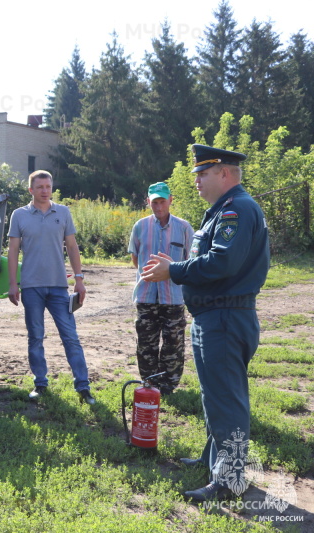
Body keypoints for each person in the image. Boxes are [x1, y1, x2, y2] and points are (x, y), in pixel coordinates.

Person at [141, 144, 270, 501]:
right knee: (215, 394)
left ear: (224, 174)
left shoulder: (237, 210)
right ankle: (214, 460)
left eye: (203, 173)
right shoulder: (222, 210)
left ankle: (229, 480)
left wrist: (174, 270)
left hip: (225, 317)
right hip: (214, 316)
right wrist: (178, 267)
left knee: (226, 399)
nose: (196, 180)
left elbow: (222, 264)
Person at [7, 170, 95, 405]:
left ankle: (83, 387)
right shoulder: (19, 215)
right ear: (31, 190)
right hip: (31, 287)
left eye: (48, 186)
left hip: (58, 286)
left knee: (71, 337)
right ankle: (40, 384)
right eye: (40, 187)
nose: (45, 191)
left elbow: (72, 246)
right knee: (35, 337)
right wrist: (13, 283)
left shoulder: (63, 212)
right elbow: (13, 251)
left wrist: (79, 279)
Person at [128, 182, 194, 395]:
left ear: (170, 200)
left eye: (162, 201)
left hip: (173, 296)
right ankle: (149, 384)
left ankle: (168, 386)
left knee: (173, 343)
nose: (158, 206)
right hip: (146, 295)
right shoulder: (140, 226)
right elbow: (134, 258)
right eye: (154, 202)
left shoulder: (183, 228)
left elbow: (190, 261)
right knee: (146, 343)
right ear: (148, 202)